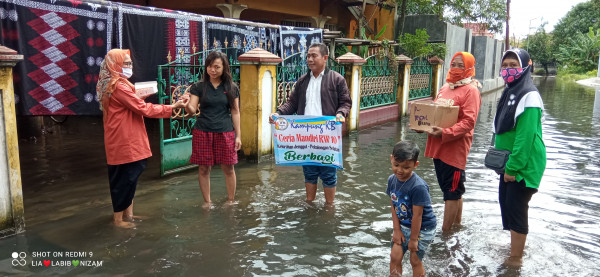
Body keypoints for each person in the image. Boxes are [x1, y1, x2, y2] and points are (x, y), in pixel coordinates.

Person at [97, 49, 188, 228]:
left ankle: (128, 215)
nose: (130, 66)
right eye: (126, 63)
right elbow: (143, 109)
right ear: (115, 65)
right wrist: (172, 107)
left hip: (124, 136)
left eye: (130, 63)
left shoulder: (117, 83)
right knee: (124, 178)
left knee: (130, 176)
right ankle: (118, 220)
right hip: (123, 139)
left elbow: (132, 100)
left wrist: (144, 92)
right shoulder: (118, 86)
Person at [269, 43, 352, 205]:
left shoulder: (337, 79)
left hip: (327, 136)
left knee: (328, 173)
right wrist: (277, 113)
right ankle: (310, 203)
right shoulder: (302, 81)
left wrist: (341, 114)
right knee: (309, 172)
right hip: (306, 137)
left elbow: (346, 103)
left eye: (314, 55)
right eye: (308, 56)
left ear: (325, 58)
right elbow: (292, 104)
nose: (310, 59)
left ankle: (329, 207)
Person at [494, 48, 545, 264]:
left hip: (521, 166)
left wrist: (512, 169)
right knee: (508, 205)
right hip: (509, 164)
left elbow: (525, 139)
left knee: (516, 209)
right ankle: (515, 249)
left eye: (513, 65)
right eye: (505, 66)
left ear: (525, 66)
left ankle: (516, 260)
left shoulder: (530, 96)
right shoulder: (512, 91)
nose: (508, 70)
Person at [423, 52, 482, 232]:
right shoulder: (446, 87)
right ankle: (457, 224)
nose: (455, 68)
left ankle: (446, 233)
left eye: (460, 65)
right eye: (454, 64)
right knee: (452, 190)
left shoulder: (471, 91)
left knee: (451, 192)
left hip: (454, 150)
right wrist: (422, 124)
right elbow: (434, 113)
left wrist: (445, 132)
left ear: (469, 68)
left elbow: (468, 122)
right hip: (438, 148)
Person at [185, 51, 241, 209]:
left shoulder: (231, 87)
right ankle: (207, 202)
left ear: (224, 68)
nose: (213, 70)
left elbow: (235, 112)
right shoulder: (198, 86)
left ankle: (230, 201)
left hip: (225, 131)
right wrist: (185, 104)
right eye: (210, 66)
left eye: (217, 67)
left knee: (228, 167)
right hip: (203, 131)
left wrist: (238, 136)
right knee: (203, 168)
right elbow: (192, 109)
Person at [387, 141, 437, 277]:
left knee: (414, 260)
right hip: (403, 224)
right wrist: (397, 230)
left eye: (406, 167)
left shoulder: (418, 187)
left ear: (415, 165)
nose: (400, 170)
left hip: (423, 227)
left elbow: (418, 216)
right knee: (394, 256)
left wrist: (414, 240)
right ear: (391, 159)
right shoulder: (392, 180)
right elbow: (393, 204)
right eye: (396, 165)